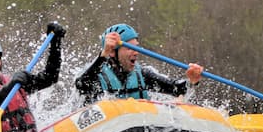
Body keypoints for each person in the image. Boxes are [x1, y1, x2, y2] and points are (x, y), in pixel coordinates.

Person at [74, 23, 204, 104]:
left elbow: (177, 89)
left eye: (136, 47)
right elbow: (81, 85)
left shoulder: (142, 75)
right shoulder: (97, 75)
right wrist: (103, 54)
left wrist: (192, 81)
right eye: (130, 48)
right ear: (112, 52)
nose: (136, 52)